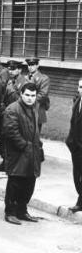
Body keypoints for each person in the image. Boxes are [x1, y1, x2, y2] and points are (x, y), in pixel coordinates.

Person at [3, 82, 43, 224]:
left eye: (33, 95)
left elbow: (35, 130)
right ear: (21, 94)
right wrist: (25, 146)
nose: (30, 98)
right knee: (15, 183)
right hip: (18, 154)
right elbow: (10, 131)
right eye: (27, 95)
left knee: (29, 184)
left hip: (32, 153)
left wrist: (39, 146)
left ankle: (22, 210)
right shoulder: (12, 109)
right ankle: (10, 212)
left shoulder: (35, 108)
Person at [66, 77, 82, 212]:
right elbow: (73, 123)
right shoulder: (77, 101)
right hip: (75, 147)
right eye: (81, 87)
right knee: (76, 176)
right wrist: (69, 141)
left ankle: (80, 202)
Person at [25, 58, 50, 133]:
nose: (30, 67)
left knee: (35, 135)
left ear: (37, 65)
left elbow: (43, 94)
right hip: (25, 110)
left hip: (37, 109)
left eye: (32, 65)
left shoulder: (44, 78)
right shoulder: (25, 77)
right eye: (29, 65)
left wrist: (28, 100)